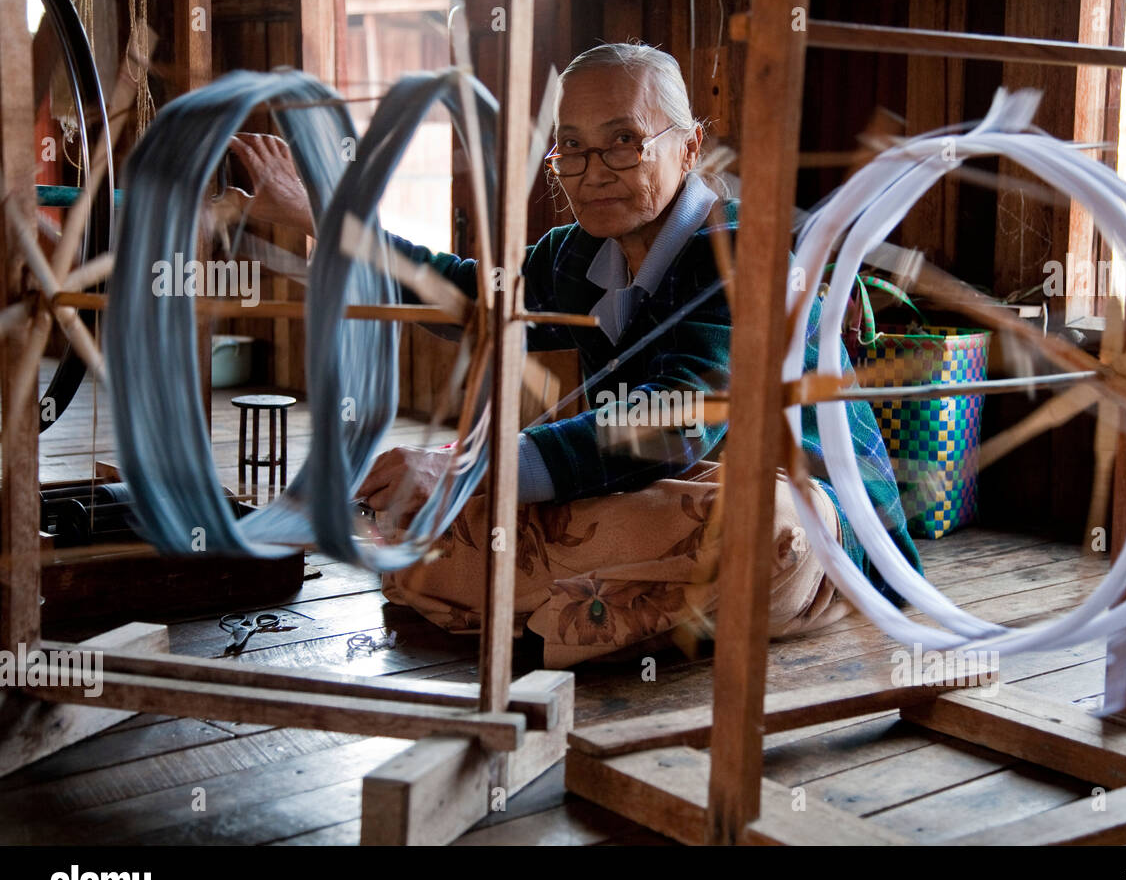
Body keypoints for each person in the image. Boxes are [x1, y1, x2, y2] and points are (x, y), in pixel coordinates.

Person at [226, 42, 921, 669]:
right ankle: (595, 605)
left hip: (810, 521)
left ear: (690, 149)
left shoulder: (745, 251)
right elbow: (465, 299)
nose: (592, 172)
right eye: (571, 147)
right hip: (650, 492)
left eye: (624, 141)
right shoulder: (574, 254)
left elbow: (675, 423)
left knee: (753, 528)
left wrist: (470, 470)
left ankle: (555, 594)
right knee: (449, 505)